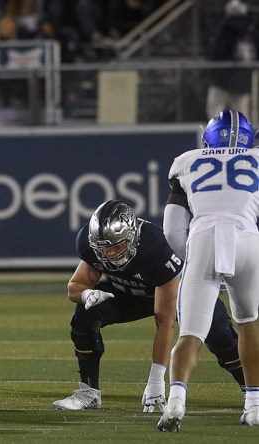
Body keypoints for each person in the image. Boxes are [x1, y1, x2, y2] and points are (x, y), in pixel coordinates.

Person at [53, 199, 245, 411]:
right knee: (86, 313)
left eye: (117, 246)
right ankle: (88, 392)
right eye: (103, 248)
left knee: (221, 334)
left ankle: (252, 391)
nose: (109, 254)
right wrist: (87, 294)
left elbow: (165, 321)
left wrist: (156, 380)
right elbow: (75, 286)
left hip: (181, 293)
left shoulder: (156, 247)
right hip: (130, 294)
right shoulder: (91, 245)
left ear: (132, 237)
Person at [158, 109, 259, 430]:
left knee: (190, 333)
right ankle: (255, 405)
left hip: (203, 239)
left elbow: (173, 230)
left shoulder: (187, 161)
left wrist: (198, 263)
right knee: (247, 325)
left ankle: (175, 402)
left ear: (208, 138)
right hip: (247, 240)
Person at [205, 0, 259, 118]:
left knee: (214, 113)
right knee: (241, 118)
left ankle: (217, 136)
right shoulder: (252, 30)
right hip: (242, 81)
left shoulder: (225, 30)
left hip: (222, 79)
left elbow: (216, 54)